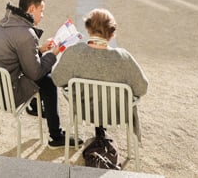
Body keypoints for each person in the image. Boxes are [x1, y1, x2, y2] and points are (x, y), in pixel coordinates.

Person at [0, 0, 77, 148]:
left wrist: (41, 50)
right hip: (5, 94)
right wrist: (53, 54)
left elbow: (17, 56)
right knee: (48, 80)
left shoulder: (4, 24)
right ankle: (56, 136)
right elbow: (35, 72)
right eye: (41, 10)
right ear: (31, 9)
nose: (43, 15)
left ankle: (36, 107)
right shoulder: (27, 33)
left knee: (44, 71)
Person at [52, 8, 148, 140]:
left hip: (84, 111)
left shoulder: (74, 53)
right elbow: (142, 88)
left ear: (88, 29)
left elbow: (57, 79)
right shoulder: (124, 58)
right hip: (117, 113)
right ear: (112, 33)